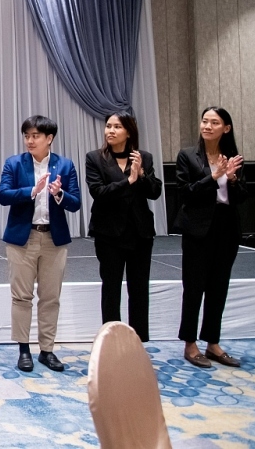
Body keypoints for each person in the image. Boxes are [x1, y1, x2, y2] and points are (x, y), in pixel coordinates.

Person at [0, 115, 81, 373]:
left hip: (54, 239)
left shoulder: (64, 165)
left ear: (49, 138)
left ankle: (47, 350)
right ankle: (24, 349)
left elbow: (76, 203)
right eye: (27, 136)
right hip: (23, 239)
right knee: (21, 297)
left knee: (50, 298)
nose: (30, 141)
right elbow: (3, 195)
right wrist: (31, 191)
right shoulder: (14, 163)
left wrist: (59, 193)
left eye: (35, 136)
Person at [176, 107, 247, 369]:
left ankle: (213, 342)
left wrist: (233, 179)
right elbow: (185, 192)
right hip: (197, 229)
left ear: (226, 128)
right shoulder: (187, 156)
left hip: (226, 228)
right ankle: (190, 343)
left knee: (219, 288)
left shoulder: (234, 158)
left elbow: (242, 197)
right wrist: (213, 177)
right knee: (194, 288)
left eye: (214, 122)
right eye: (205, 121)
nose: (207, 126)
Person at [85, 112, 162, 342]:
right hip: (109, 233)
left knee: (139, 289)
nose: (110, 130)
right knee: (111, 288)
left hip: (140, 233)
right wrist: (128, 181)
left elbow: (155, 192)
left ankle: (138, 341)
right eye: (108, 126)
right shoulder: (95, 158)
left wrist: (142, 175)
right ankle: (112, 341)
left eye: (117, 126)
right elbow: (99, 192)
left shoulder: (143, 157)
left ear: (129, 131)